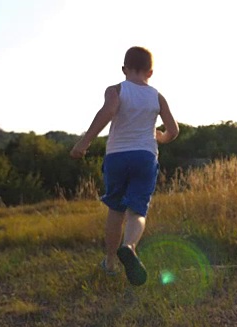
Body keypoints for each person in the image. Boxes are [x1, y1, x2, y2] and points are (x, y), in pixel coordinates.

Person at [70, 46, 179, 285]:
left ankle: (110, 262)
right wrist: (160, 137)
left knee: (116, 210)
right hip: (145, 157)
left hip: (117, 156)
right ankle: (129, 246)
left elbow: (107, 112)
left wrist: (84, 142)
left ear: (124, 69)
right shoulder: (157, 96)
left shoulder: (116, 90)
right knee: (137, 211)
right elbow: (173, 130)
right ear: (150, 72)